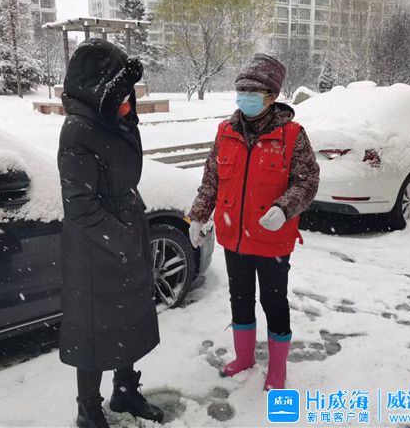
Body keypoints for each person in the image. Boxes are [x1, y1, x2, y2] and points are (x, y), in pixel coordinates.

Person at [188, 54, 320, 391]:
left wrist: (285, 208)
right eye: (241, 91)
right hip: (234, 236)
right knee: (240, 298)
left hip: (272, 238)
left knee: (274, 302)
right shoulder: (225, 132)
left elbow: (307, 181)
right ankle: (244, 358)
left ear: (272, 96)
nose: (245, 98)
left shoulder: (291, 135)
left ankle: (277, 369)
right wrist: (198, 215)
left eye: (253, 92)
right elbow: (212, 179)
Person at [57, 38, 163, 428]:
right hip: (93, 247)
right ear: (98, 90)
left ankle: (125, 390)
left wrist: (131, 227)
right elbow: (80, 205)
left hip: (124, 231)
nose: (127, 102)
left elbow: (123, 179)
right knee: (93, 329)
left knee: (126, 318)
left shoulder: (115, 119)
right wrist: (121, 238)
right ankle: (88, 409)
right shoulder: (78, 130)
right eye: (120, 93)